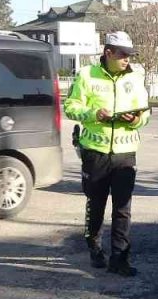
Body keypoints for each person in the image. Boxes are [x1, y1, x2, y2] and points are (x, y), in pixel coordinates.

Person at [63, 31, 152, 276]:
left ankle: (119, 259)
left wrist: (136, 119)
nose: (127, 59)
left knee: (123, 208)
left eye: (129, 55)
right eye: (122, 54)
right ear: (108, 52)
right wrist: (94, 114)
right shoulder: (86, 75)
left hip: (125, 152)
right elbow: (70, 108)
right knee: (96, 203)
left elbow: (146, 113)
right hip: (95, 152)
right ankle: (94, 246)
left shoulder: (135, 76)